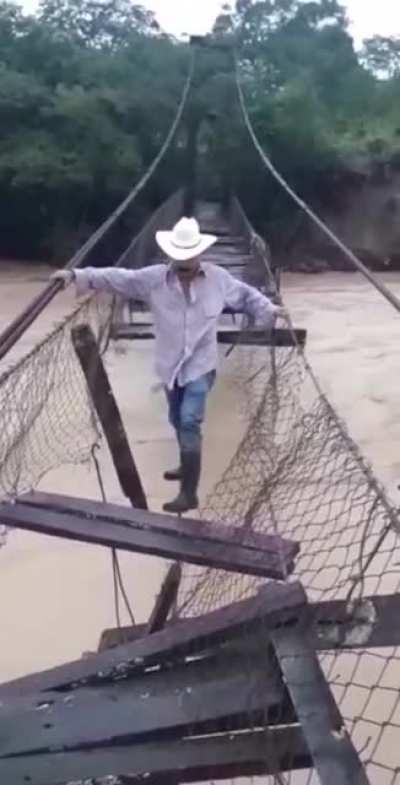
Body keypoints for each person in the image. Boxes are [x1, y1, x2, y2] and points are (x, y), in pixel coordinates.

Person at [52, 217, 287, 515]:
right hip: (169, 365)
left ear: (199, 252)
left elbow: (246, 296)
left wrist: (271, 310)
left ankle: (188, 493)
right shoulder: (153, 280)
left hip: (201, 365)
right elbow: (117, 277)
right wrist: (75, 275)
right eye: (179, 252)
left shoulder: (218, 279)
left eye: (189, 252)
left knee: (189, 419)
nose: (184, 258)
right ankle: (185, 464)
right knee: (177, 419)